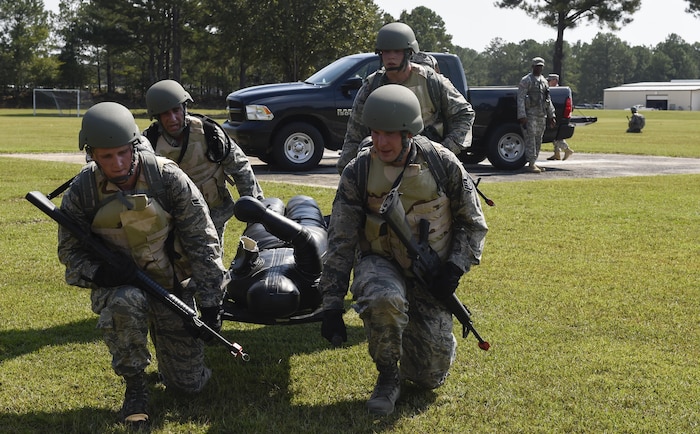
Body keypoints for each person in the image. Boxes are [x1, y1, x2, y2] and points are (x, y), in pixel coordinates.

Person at [318, 84, 488, 415]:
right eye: (375, 133)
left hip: (432, 273)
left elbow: (473, 224)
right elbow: (340, 239)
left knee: (428, 377)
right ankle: (387, 376)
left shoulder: (441, 163)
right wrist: (331, 304)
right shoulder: (359, 171)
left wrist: (452, 270)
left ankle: (422, 335)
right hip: (379, 262)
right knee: (384, 300)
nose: (381, 142)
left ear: (408, 132)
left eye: (390, 134)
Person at [57, 102, 228, 428]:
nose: (117, 163)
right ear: (91, 153)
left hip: (172, 288)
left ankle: (172, 361)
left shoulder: (167, 178)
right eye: (106, 156)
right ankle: (135, 385)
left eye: (122, 153)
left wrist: (210, 301)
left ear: (134, 145)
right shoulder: (82, 192)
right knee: (126, 300)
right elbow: (70, 253)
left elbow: (202, 242)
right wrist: (101, 273)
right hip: (122, 288)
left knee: (188, 387)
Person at [336, 22, 475, 174]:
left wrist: (445, 151)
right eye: (386, 52)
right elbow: (355, 133)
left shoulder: (431, 81)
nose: (391, 57)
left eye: (397, 51)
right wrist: (346, 171)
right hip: (384, 165)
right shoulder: (371, 87)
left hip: (430, 167)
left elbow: (464, 114)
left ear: (409, 53)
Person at [144, 79, 264, 245]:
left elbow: (240, 167)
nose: (172, 118)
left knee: (210, 262)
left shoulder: (209, 133)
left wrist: (255, 210)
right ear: (156, 116)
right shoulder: (149, 142)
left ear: (184, 108)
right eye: (165, 114)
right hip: (174, 219)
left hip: (214, 213)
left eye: (176, 110)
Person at [517, 57, 556, 173]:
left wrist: (551, 115)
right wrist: (522, 115)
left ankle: (534, 161)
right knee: (530, 139)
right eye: (537, 66)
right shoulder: (526, 80)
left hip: (541, 115)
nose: (539, 68)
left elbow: (548, 99)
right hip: (530, 115)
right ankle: (531, 163)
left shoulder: (544, 81)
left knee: (538, 139)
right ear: (532, 66)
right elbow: (520, 98)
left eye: (540, 66)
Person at [545, 73, 574, 161]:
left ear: (555, 81)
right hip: (555, 114)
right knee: (555, 135)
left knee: (556, 135)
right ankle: (557, 153)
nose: (548, 82)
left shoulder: (556, 91)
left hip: (556, 115)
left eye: (550, 80)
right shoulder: (557, 91)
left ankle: (567, 149)